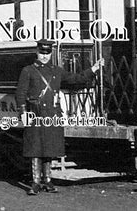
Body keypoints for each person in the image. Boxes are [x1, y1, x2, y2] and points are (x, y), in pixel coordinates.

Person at [15, 39, 103, 195]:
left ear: (51, 53)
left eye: (47, 53)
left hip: (53, 114)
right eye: (42, 52)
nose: (44, 56)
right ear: (37, 52)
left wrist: (93, 69)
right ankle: (35, 183)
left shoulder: (57, 71)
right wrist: (23, 113)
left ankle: (47, 181)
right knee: (35, 148)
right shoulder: (28, 70)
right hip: (35, 114)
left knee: (49, 147)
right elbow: (20, 93)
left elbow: (77, 79)